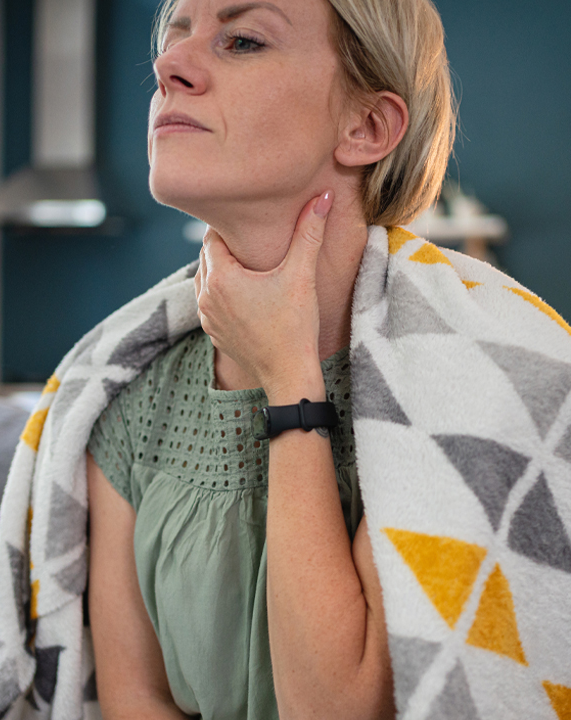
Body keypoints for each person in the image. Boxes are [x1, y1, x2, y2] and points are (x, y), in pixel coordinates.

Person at [85, 0, 454, 718]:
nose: (167, 66)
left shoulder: (450, 390)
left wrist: (290, 374)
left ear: (366, 126)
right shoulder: (129, 406)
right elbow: (134, 703)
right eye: (174, 38)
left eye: (243, 40)